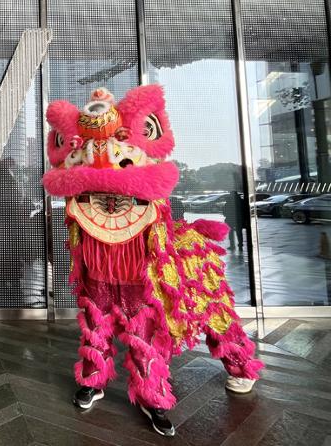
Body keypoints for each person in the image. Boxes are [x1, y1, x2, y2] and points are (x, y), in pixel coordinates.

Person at [42, 86, 263, 437]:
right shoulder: (80, 175)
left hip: (139, 269)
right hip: (97, 268)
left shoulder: (145, 174)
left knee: (144, 329)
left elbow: (157, 201)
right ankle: (93, 379)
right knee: (94, 324)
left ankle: (154, 395)